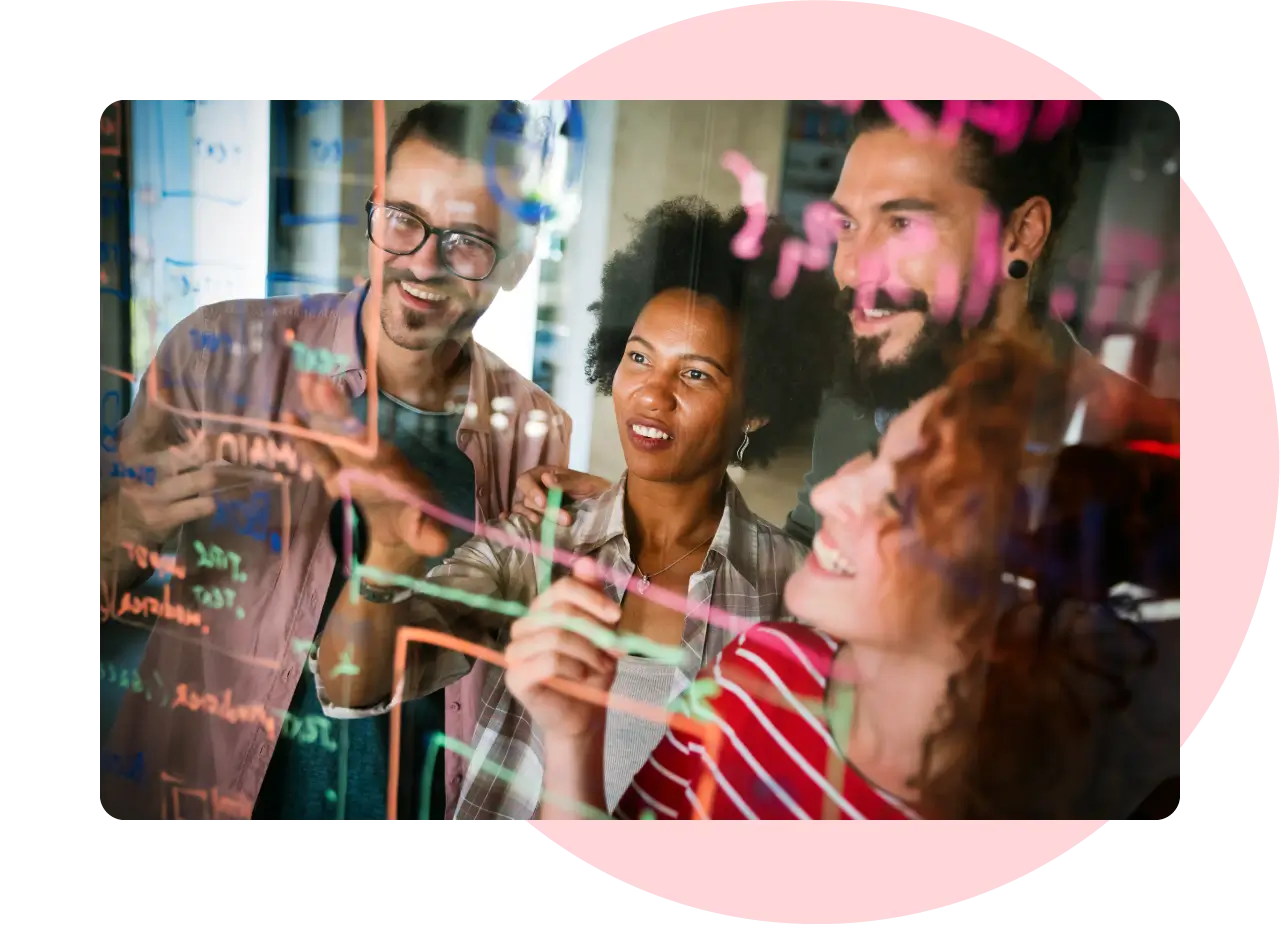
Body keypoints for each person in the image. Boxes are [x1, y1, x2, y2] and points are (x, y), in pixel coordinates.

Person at [96, 100, 571, 823]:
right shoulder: (213, 354)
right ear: (372, 207)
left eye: (468, 240)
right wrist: (126, 520)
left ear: (518, 260)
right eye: (403, 218)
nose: (422, 261)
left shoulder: (534, 433)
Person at [304, 197, 844, 821]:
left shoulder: (795, 592)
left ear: (757, 408)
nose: (652, 395)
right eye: (638, 357)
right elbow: (349, 686)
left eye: (695, 375)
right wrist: (387, 556)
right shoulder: (541, 538)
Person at [503, 331, 1178, 820]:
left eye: (898, 499)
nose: (829, 495)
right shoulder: (761, 668)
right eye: (880, 453)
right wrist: (574, 735)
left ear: (1013, 593)